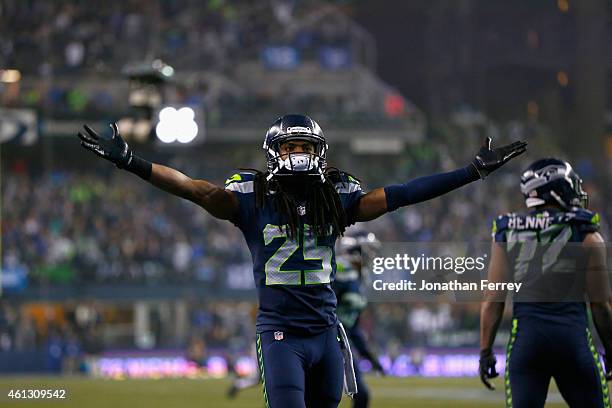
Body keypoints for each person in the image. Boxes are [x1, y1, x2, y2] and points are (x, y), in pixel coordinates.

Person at [78, 114, 526, 408]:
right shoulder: (252, 198)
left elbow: (405, 193)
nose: (299, 155)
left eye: (305, 147)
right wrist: (133, 162)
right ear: (275, 153)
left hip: (327, 334)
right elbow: (195, 189)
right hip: (281, 335)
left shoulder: (338, 199)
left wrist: (472, 171)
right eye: (290, 147)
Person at [479, 158, 612, 408]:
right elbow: (601, 305)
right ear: (558, 188)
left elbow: (493, 300)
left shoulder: (507, 231)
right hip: (573, 340)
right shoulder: (586, 233)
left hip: (527, 342)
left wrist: (485, 351)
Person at [333, 229, 385, 408]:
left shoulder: (360, 276)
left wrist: (369, 356)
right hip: (325, 339)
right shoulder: (340, 269)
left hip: (341, 341)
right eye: (368, 250)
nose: (372, 255)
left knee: (360, 395)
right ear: (356, 250)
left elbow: (352, 325)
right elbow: (321, 307)